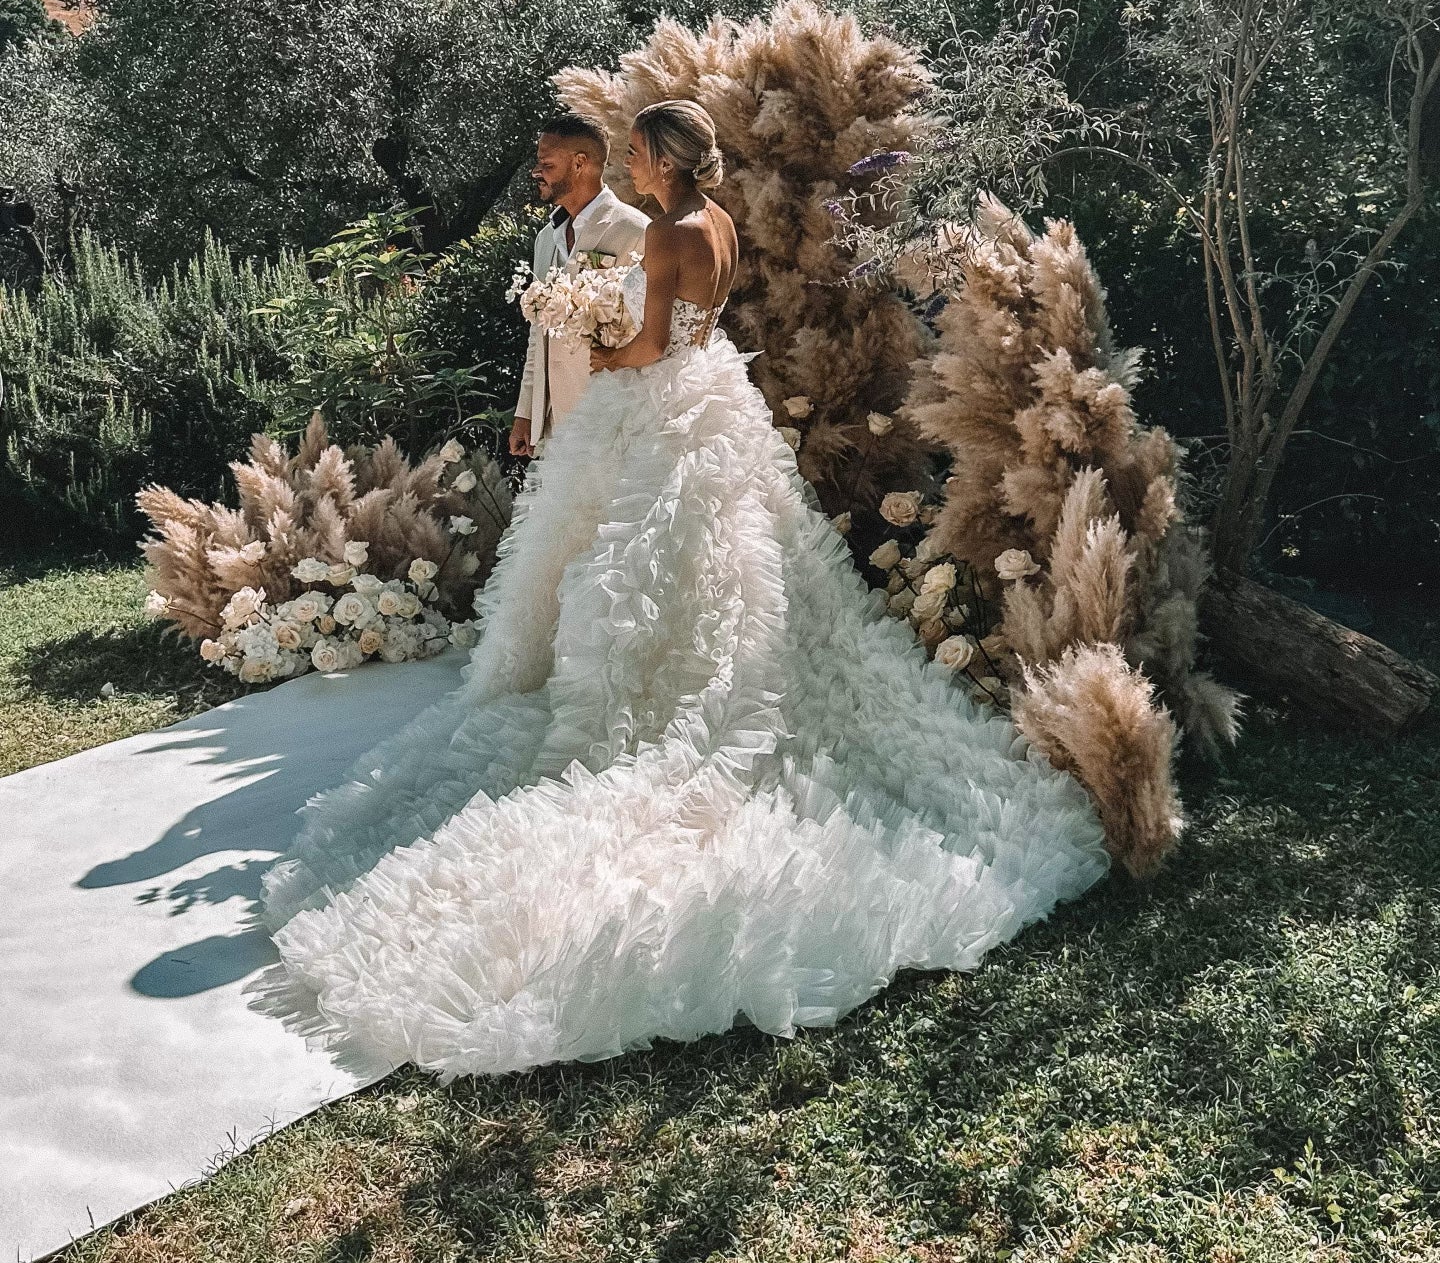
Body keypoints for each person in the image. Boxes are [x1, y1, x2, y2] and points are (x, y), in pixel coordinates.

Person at [262, 100, 1107, 1080]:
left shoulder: (664, 233)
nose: (629, 165)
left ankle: (648, 703)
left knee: (642, 564)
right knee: (737, 565)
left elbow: (648, 347)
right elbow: (705, 331)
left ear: (664, 161)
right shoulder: (723, 223)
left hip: (661, 409)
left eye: (635, 154)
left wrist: (588, 324)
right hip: (721, 403)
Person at [510, 113, 650, 460]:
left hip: (610, 420)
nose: (536, 171)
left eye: (547, 164)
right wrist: (526, 412)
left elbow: (648, 331)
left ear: (579, 163)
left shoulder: (635, 231)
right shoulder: (546, 239)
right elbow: (537, 336)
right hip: (555, 423)